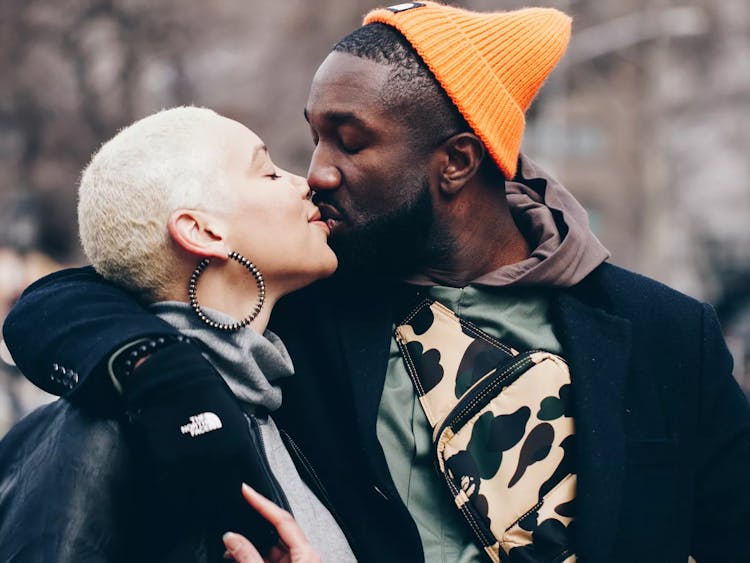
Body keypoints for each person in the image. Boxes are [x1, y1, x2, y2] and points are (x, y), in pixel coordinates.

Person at [4, 2, 750, 562]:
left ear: (455, 162)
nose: (317, 169)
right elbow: (61, 299)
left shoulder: (664, 333)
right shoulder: (306, 300)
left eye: (350, 141)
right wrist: (161, 375)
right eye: (314, 134)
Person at [0, 106, 354, 562]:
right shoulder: (114, 434)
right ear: (202, 231)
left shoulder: (282, 396)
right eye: (267, 174)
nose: (303, 182)